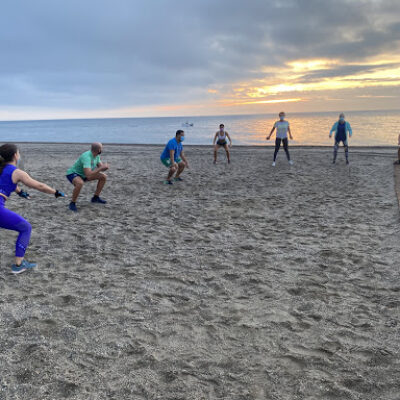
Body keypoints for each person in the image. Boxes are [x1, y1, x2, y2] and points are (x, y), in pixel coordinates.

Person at [0, 144, 65, 274]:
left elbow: (8, 183)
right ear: (15, 155)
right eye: (18, 152)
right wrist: (55, 192)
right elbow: (39, 186)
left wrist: (20, 193)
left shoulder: (1, 169)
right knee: (26, 228)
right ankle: (18, 265)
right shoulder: (16, 172)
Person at [66, 143, 109, 212]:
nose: (102, 150)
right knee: (80, 183)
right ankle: (72, 203)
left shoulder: (96, 156)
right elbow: (88, 174)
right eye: (101, 148)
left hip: (85, 175)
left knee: (103, 177)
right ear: (99, 150)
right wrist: (101, 168)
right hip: (73, 173)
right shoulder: (87, 157)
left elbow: (100, 167)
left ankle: (95, 198)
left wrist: (105, 167)